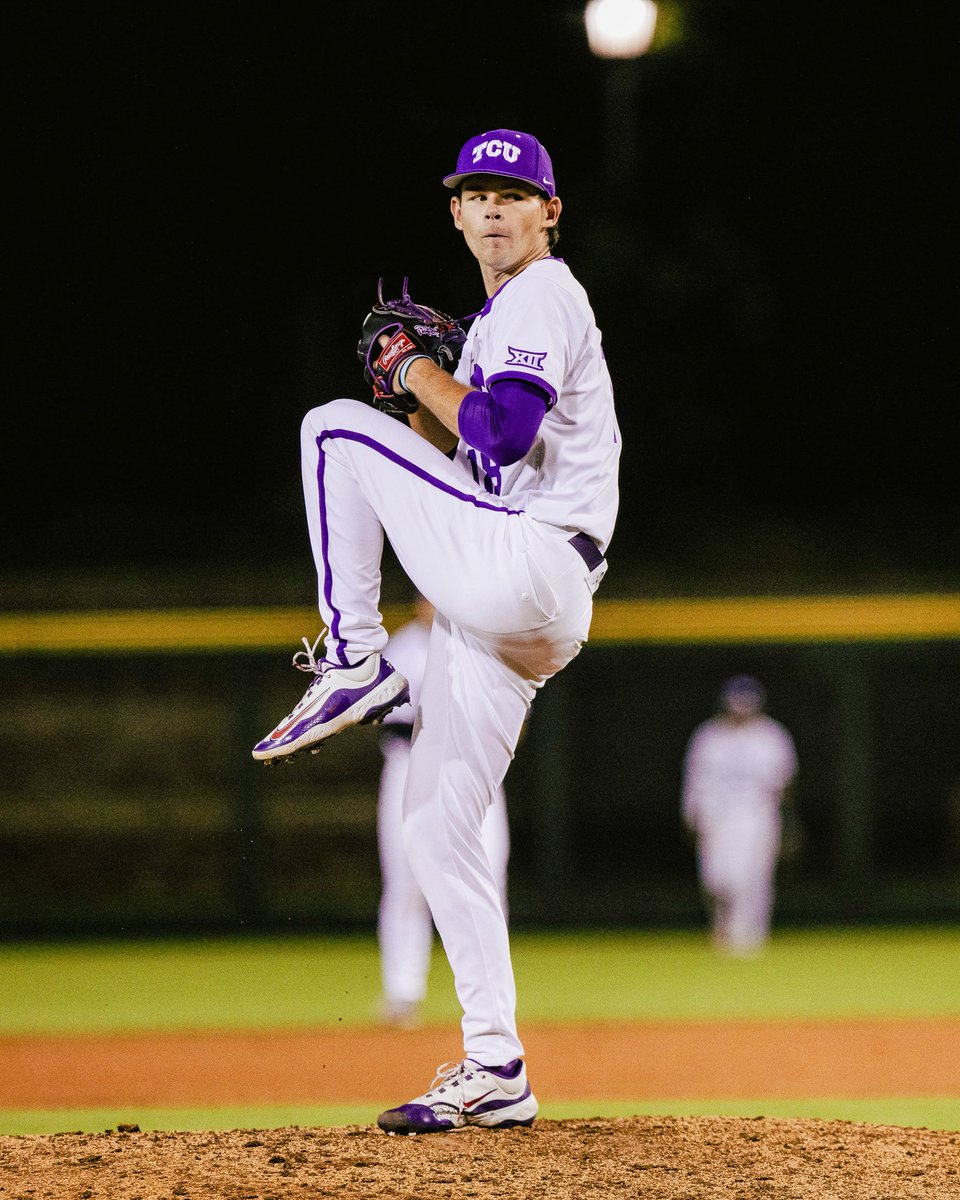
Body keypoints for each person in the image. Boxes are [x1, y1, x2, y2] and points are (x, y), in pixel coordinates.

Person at [252, 127, 620, 1133]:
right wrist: (426, 391)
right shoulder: (499, 329)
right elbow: (463, 467)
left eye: (515, 192)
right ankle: (496, 1062)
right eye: (477, 193)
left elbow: (502, 432)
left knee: (329, 428)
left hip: (530, 566)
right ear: (454, 214)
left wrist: (409, 366)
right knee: (432, 828)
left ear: (551, 213)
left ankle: (354, 659)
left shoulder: (545, 293)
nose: (495, 207)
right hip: (508, 611)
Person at [376, 592, 510, 1030]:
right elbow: (385, 718)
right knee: (407, 883)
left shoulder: (483, 643)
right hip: (409, 768)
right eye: (426, 597)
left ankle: (490, 1000)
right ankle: (402, 993)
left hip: (475, 770)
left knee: (487, 878)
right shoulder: (403, 649)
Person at [681, 675, 799, 957]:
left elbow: (784, 784)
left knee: (753, 879)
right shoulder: (708, 736)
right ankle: (725, 927)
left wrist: (789, 823)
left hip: (757, 818)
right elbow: (694, 782)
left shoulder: (771, 735)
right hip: (717, 819)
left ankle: (748, 937)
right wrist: (691, 815)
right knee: (717, 879)